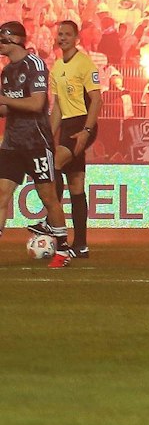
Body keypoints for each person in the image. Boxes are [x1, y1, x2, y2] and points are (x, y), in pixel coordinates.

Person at [0, 21, 74, 267]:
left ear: (15, 40)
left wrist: (3, 100)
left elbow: (36, 104)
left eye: (2, 39)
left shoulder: (35, 65)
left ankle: (63, 251)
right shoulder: (7, 71)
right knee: (2, 194)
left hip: (36, 142)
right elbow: (5, 108)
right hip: (12, 142)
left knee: (48, 196)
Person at [49, 19, 101, 257]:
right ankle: (81, 245)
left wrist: (87, 131)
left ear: (76, 38)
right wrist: (48, 136)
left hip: (82, 124)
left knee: (54, 164)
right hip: (67, 125)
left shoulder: (85, 64)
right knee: (76, 184)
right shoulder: (56, 67)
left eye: (67, 34)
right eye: (60, 34)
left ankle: (51, 224)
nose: (62, 38)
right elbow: (58, 107)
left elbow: (97, 99)